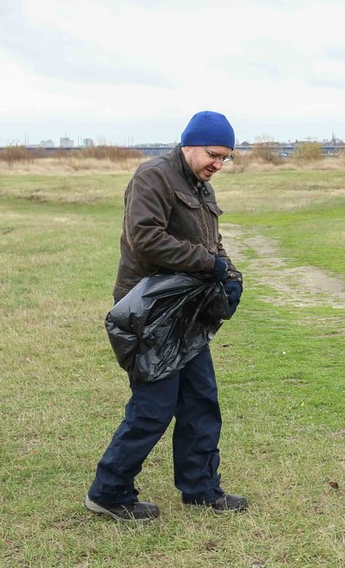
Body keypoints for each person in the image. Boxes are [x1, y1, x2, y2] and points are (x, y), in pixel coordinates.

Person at [85, 111, 247, 522]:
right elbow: (145, 237)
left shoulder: (201, 185)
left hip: (187, 310)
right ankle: (109, 491)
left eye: (225, 158)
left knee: (200, 400)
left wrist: (230, 274)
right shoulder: (153, 177)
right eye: (213, 154)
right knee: (154, 406)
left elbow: (212, 241)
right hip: (149, 312)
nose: (218, 164)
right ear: (189, 144)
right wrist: (207, 263)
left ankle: (201, 489)